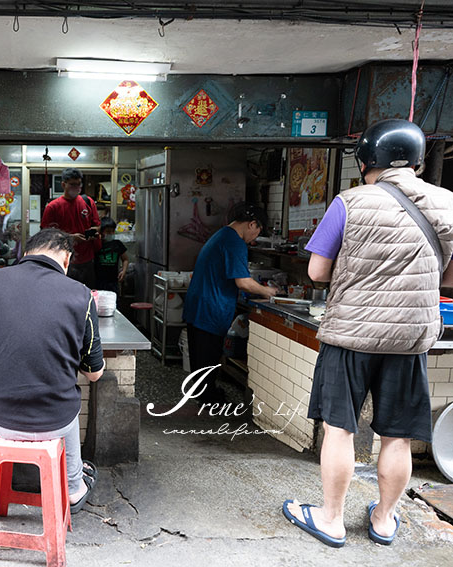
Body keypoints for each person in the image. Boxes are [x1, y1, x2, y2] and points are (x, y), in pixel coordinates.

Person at [283, 119, 453, 548]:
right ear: (417, 160)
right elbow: (449, 278)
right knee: (397, 434)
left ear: (365, 161)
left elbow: (317, 271)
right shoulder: (448, 203)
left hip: (350, 337)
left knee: (339, 429)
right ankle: (383, 519)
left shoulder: (349, 202)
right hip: (410, 339)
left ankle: (332, 519)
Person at [0, 228, 105, 513]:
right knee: (64, 402)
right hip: (54, 421)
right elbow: (94, 373)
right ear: (66, 260)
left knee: (51, 401)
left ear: (27, 252)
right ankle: (73, 486)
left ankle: (66, 478)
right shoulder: (81, 295)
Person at [182, 202, 277, 403]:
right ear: (252, 224)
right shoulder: (234, 242)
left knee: (201, 358)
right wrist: (268, 292)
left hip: (199, 304)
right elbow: (242, 282)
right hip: (210, 307)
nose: (254, 239)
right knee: (207, 357)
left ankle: (205, 395)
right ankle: (209, 400)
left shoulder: (222, 234)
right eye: (258, 232)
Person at [40, 168, 101, 287]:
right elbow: (45, 235)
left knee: (88, 294)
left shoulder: (88, 202)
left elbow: (97, 225)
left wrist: (93, 232)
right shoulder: (53, 207)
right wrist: (70, 238)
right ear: (63, 184)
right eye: (73, 184)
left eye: (79, 184)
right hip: (63, 260)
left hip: (87, 260)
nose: (77, 187)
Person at [94, 217, 130, 294]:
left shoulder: (118, 244)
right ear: (101, 232)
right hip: (98, 281)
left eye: (112, 231)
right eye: (108, 232)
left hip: (113, 281)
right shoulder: (97, 244)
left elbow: (125, 259)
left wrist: (123, 271)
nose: (111, 234)